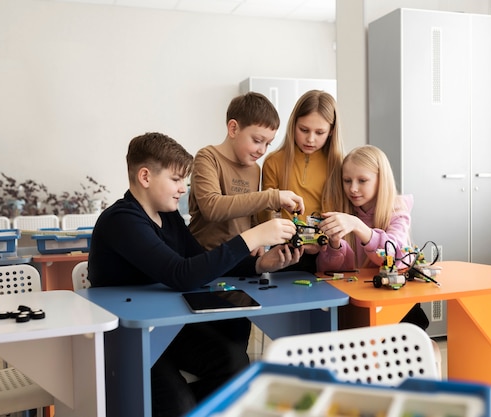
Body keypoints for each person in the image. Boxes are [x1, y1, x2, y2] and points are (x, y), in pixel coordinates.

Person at [88, 132, 302, 417]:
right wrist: (253, 236)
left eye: (184, 181)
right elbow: (182, 274)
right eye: (176, 180)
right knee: (178, 402)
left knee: (235, 363)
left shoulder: (169, 216)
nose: (182, 189)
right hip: (128, 340)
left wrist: (260, 265)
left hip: (166, 327)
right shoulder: (121, 220)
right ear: (145, 177)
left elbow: (199, 262)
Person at [316, 144, 429, 330]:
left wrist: (358, 226)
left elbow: (397, 255)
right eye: (347, 180)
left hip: (395, 303)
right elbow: (330, 271)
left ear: (380, 180)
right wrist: (335, 246)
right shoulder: (344, 212)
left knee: (422, 348)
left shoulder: (396, 209)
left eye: (362, 180)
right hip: (357, 302)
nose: (353, 188)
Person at [188, 92, 305, 251]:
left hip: (240, 257)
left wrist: (258, 241)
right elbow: (212, 208)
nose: (262, 150)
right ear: (233, 128)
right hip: (206, 258)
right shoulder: (207, 158)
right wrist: (273, 196)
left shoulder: (255, 169)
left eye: (268, 144)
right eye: (257, 141)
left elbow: (250, 214)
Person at [260, 90, 345, 272]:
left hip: (326, 254)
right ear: (293, 125)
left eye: (320, 132)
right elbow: (264, 213)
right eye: (304, 130)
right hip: (283, 253)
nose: (310, 139)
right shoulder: (273, 161)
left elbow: (336, 212)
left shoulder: (338, 165)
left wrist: (321, 241)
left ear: (331, 131)